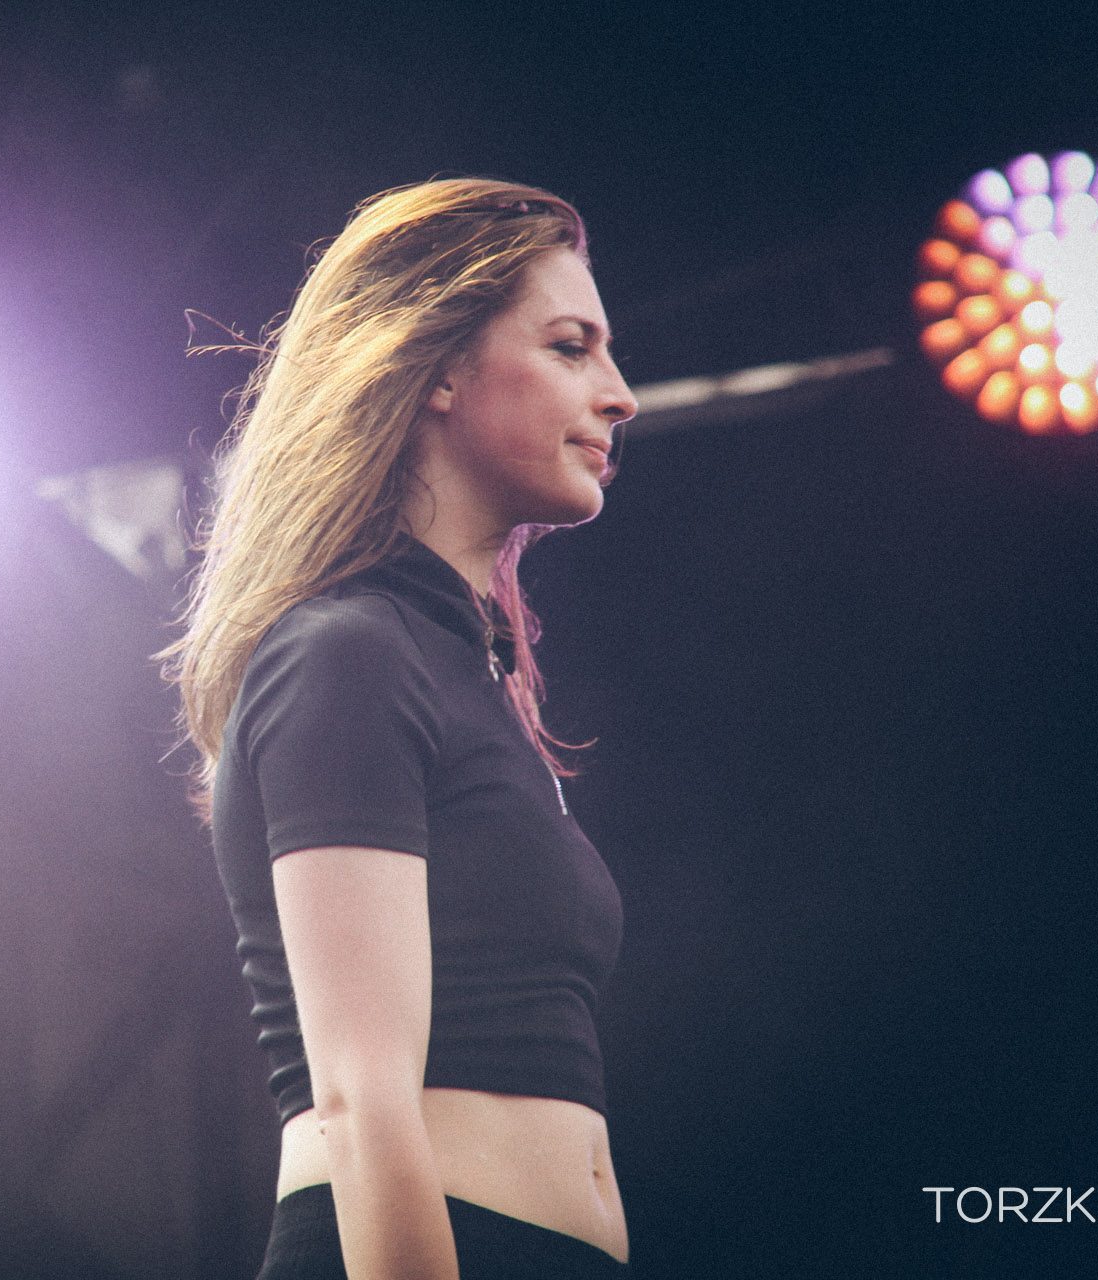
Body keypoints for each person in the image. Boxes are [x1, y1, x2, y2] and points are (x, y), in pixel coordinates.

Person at [158, 177, 640, 1279]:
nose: (619, 395)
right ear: (436, 369)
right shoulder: (346, 652)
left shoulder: (459, 671)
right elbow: (360, 1096)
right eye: (571, 347)